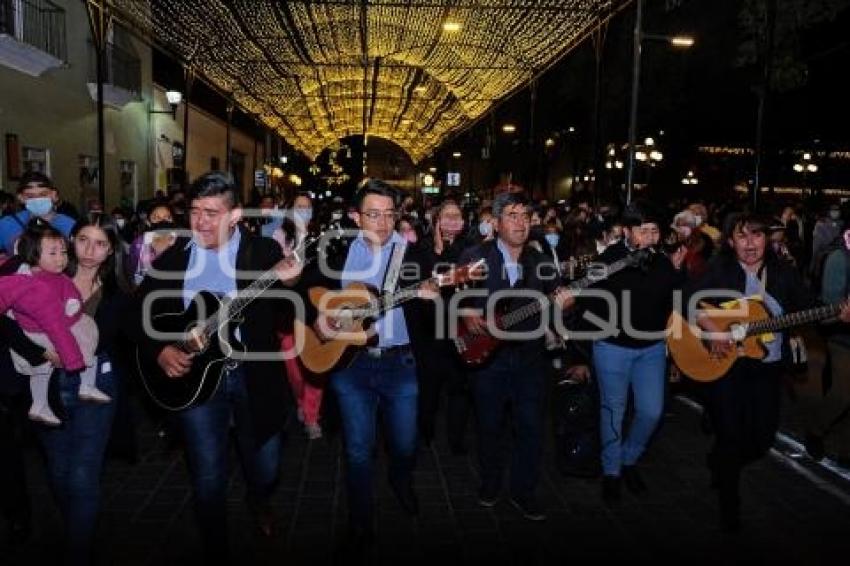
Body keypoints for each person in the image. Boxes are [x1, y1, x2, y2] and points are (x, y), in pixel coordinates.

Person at [133, 171, 303, 563]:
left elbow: (298, 304)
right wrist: (160, 350)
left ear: (235, 215)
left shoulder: (262, 253)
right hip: (198, 383)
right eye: (194, 211)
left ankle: (259, 499)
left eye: (211, 212)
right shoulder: (175, 256)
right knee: (208, 475)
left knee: (266, 465)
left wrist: (291, 284)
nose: (200, 222)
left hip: (253, 376)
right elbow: (133, 314)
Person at [688, 213, 850, 532]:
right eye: (742, 236)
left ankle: (721, 464)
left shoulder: (783, 273)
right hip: (727, 365)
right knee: (731, 434)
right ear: (731, 241)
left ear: (767, 239)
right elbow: (688, 301)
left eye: (757, 236)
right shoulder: (720, 269)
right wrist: (712, 329)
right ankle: (729, 504)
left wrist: (838, 314)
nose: (750, 244)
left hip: (768, 366)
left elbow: (810, 310)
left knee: (761, 439)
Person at [307, 179, 436, 547]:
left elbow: (434, 318)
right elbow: (307, 291)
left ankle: (400, 479)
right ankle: (360, 518)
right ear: (354, 216)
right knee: (357, 449)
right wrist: (319, 318)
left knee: (405, 444)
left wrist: (432, 298)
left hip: (402, 364)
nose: (382, 223)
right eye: (372, 214)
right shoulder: (336, 253)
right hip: (350, 366)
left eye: (389, 215)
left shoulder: (415, 256)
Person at [20, 214, 131, 564]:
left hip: (96, 383)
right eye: (83, 240)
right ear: (71, 241)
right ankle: (77, 529)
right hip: (47, 382)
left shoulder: (119, 293)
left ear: (110, 249)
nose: (89, 250)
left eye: (100, 243)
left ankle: (77, 551)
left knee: (83, 473)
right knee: (59, 469)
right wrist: (39, 352)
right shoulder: (46, 275)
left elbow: (129, 340)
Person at [458, 192, 574, 521]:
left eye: (525, 215)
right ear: (495, 223)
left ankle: (524, 491)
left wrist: (567, 303)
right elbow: (452, 295)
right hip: (487, 358)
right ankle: (491, 482)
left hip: (529, 357)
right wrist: (466, 312)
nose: (521, 222)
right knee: (489, 426)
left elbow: (560, 298)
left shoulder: (540, 262)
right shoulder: (474, 255)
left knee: (531, 427)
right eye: (512, 215)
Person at [582, 202, 686, 506]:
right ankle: (612, 470)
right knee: (613, 411)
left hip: (651, 349)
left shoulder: (663, 262)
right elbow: (588, 304)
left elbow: (674, 303)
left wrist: (678, 273)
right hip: (612, 348)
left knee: (652, 411)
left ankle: (629, 458)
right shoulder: (608, 261)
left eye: (655, 231)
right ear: (627, 231)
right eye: (644, 231)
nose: (651, 237)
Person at [3, 221, 108, 425]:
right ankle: (49, 401)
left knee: (43, 372)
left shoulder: (54, 277)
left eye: (63, 252)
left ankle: (43, 404)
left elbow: (69, 294)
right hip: (45, 336)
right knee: (83, 338)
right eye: (53, 253)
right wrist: (72, 360)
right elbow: (57, 325)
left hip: (48, 334)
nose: (60, 259)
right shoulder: (32, 283)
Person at [417, 200, 472, 454]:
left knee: (459, 385)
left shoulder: (470, 248)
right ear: (436, 220)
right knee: (429, 385)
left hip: (460, 326)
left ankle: (456, 438)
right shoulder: (422, 247)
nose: (452, 221)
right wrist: (438, 251)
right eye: (447, 216)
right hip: (430, 327)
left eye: (457, 216)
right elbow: (421, 285)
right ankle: (425, 432)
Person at [805, 226, 850, 460]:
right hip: (842, 335)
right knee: (843, 392)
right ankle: (815, 429)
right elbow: (832, 306)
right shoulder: (839, 258)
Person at [0, 171, 77, 255]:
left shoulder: (69, 225)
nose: (37, 200)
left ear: (54, 195)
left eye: (43, 194)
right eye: (30, 196)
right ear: (20, 197)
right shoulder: (7, 224)